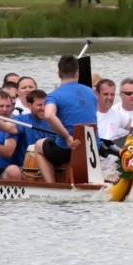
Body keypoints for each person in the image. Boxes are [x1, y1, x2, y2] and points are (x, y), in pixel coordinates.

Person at [33, 55, 98, 184]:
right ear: (77, 73)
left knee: (38, 146)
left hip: (68, 149)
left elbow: (49, 115)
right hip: (92, 147)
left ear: (58, 73)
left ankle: (51, 185)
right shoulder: (91, 93)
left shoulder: (54, 95)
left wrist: (67, 138)